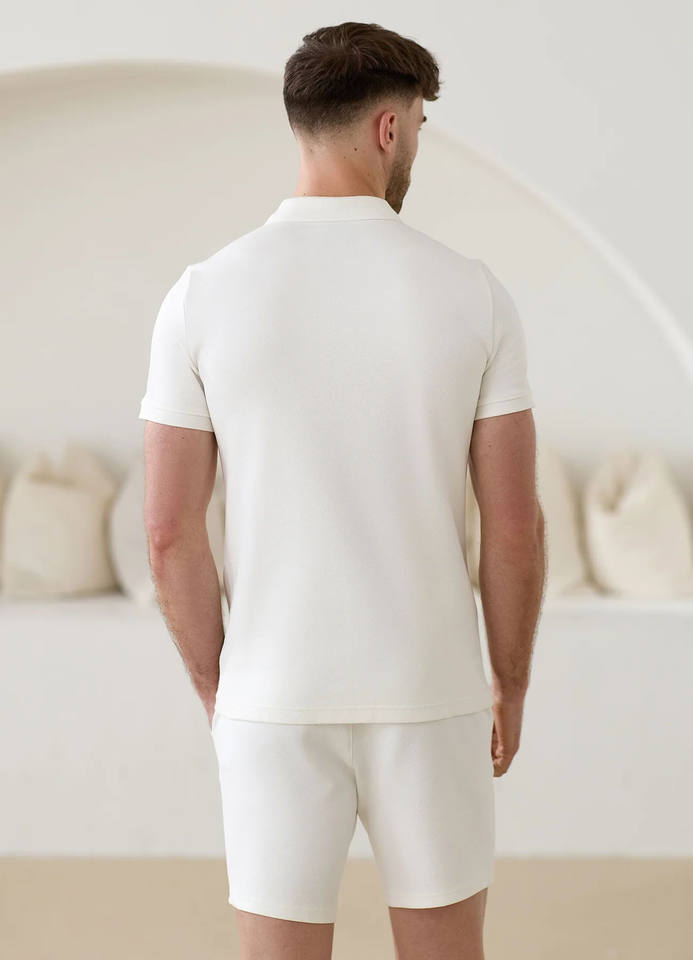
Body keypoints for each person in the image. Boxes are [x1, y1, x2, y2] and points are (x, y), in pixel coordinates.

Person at [138, 20, 545, 960]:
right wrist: (510, 682)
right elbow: (512, 526)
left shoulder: (202, 294)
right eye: (419, 129)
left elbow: (168, 530)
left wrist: (221, 687)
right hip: (431, 688)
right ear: (388, 129)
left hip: (272, 691)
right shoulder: (472, 293)